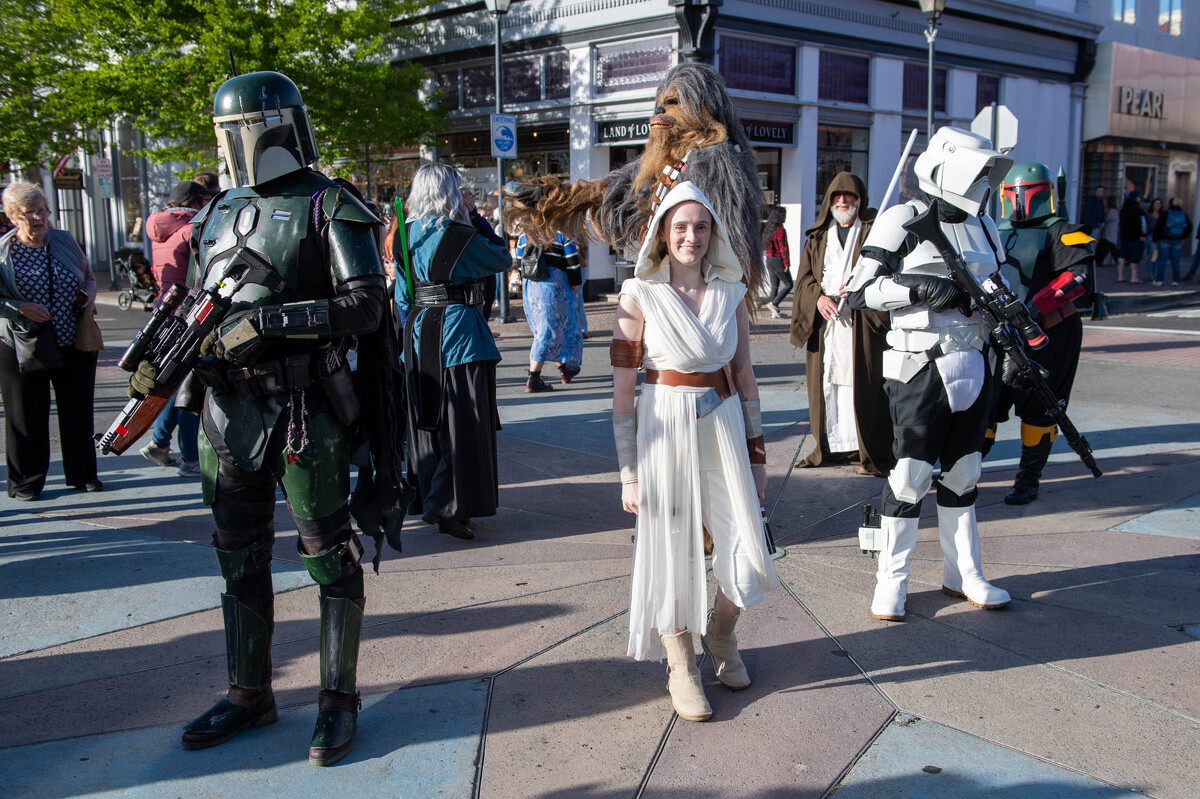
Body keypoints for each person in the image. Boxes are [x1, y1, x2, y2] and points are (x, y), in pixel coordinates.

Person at [128, 72, 389, 766]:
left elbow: (367, 306)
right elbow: (192, 298)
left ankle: (338, 698)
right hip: (225, 409)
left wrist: (272, 321)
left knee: (328, 556)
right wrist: (159, 356)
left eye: (235, 130)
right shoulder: (216, 211)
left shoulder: (329, 202)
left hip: (304, 409)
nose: (228, 143)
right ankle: (249, 691)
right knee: (235, 553)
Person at [612, 181, 779, 722]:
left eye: (701, 226)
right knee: (671, 550)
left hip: (725, 428)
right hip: (664, 431)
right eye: (680, 226)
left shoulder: (732, 291)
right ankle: (680, 664)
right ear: (663, 232)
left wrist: (758, 456)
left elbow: (746, 374)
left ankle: (723, 637)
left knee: (747, 549)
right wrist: (628, 473)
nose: (691, 236)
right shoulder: (638, 295)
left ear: (714, 232)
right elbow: (621, 395)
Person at [847, 126, 1012, 621]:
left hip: (975, 364)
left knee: (965, 473)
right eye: (979, 169)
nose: (985, 181)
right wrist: (920, 289)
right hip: (919, 365)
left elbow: (1000, 287)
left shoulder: (985, 226)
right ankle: (891, 582)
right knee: (911, 476)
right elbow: (860, 291)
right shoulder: (905, 218)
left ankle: (963, 573)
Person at [394, 163, 510, 541]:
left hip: (418, 332)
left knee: (428, 424)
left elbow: (402, 296)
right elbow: (501, 258)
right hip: (459, 335)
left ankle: (431, 496)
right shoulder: (460, 234)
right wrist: (476, 216)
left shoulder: (403, 235)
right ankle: (447, 505)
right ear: (451, 193)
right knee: (463, 424)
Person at [990, 161, 1094, 505]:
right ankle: (963, 470)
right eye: (1013, 194)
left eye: (1026, 193)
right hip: (1001, 332)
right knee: (986, 404)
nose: (1019, 200)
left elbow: (1078, 278)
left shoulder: (1068, 230)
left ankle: (1028, 479)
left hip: (1049, 334)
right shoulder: (996, 230)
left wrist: (1033, 309)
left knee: (1039, 406)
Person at [0, 182, 101, 501]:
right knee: (25, 415)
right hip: (21, 342)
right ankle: (26, 482)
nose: (39, 218)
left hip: (71, 339)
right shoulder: (4, 251)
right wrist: (18, 307)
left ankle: (83, 474)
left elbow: (88, 276)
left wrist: (87, 294)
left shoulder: (63, 240)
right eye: (30, 212)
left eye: (43, 210)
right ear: (13, 215)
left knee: (77, 410)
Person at [789, 172, 892, 477]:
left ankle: (867, 451)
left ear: (860, 201)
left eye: (850, 196)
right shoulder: (818, 237)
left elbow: (887, 271)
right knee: (828, 384)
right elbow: (805, 278)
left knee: (864, 384)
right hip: (828, 324)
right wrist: (818, 298)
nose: (843, 201)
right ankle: (831, 448)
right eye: (837, 196)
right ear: (829, 201)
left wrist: (863, 290)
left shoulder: (874, 233)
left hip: (861, 323)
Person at [140, 180, 214, 477]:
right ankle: (191, 458)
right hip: (190, 312)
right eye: (206, 200)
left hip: (167, 309)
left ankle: (159, 443)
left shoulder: (162, 231)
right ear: (195, 202)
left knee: (174, 381)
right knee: (191, 387)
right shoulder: (191, 229)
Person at [515, 229, 583, 392]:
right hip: (555, 286)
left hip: (532, 287)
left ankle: (565, 369)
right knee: (554, 330)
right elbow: (573, 262)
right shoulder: (562, 235)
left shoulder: (524, 236)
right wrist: (575, 282)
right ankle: (533, 377)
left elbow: (519, 264)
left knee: (547, 329)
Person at [760, 206, 792, 318]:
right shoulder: (780, 230)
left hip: (769, 259)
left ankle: (775, 311)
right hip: (778, 259)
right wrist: (787, 263)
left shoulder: (769, 229)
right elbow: (783, 248)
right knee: (789, 284)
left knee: (775, 286)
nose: (785, 217)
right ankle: (774, 303)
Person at [1153, 198, 1191, 287]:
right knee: (1175, 261)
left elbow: (1158, 226)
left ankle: (1159, 280)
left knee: (1162, 260)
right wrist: (1183, 236)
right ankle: (1176, 281)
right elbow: (1189, 226)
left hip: (1164, 240)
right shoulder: (1183, 214)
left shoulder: (1165, 213)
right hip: (1177, 240)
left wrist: (1155, 239)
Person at [1116, 194, 1146, 284]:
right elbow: (1143, 224)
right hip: (1136, 237)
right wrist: (1143, 234)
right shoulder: (1139, 211)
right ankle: (1134, 277)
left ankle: (1120, 276)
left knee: (1122, 256)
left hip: (1124, 236)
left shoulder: (1123, 210)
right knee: (1135, 258)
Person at [1095, 197, 1120, 267]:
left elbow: (1106, 219)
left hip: (1109, 233)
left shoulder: (1111, 211)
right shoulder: (1115, 211)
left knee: (1105, 248)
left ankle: (1099, 261)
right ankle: (1117, 261)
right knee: (1111, 248)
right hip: (1111, 233)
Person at [1145, 197, 1163, 284]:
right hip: (1151, 235)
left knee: (1157, 255)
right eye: (1156, 203)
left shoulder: (1162, 215)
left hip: (1160, 236)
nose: (1158, 205)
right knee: (1151, 255)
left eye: (1159, 204)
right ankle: (1150, 273)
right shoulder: (1148, 215)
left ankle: (1156, 272)